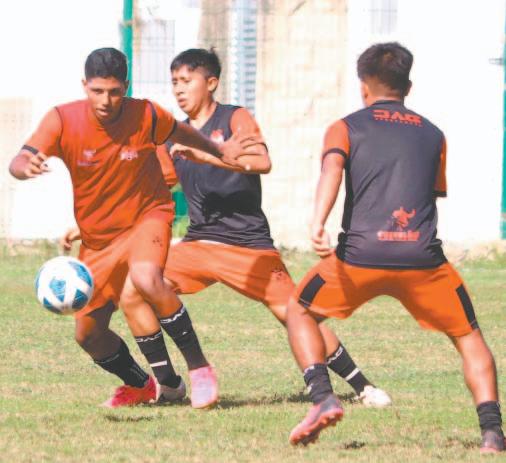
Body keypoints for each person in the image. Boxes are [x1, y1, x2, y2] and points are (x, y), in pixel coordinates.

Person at [64, 48, 392, 410]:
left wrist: (207, 154)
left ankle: (363, 386)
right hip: (198, 245)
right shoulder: (172, 135)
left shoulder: (235, 118)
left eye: (186, 81)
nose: (178, 89)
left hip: (247, 246)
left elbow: (261, 161)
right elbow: (145, 190)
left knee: (295, 313)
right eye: (174, 82)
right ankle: (169, 386)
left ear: (211, 83)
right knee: (135, 291)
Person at [285, 42, 504, 454]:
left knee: (298, 310)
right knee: (469, 337)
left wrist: (317, 222)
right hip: (423, 259)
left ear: (363, 86)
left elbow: (332, 169)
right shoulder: (434, 134)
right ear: (408, 86)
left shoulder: (344, 127)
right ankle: (492, 434)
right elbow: (429, 193)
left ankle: (323, 398)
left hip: (359, 258)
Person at [9, 47, 255, 409]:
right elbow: (21, 157)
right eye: (97, 91)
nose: (105, 100)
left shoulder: (146, 113)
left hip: (147, 216)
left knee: (146, 278)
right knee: (88, 334)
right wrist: (23, 167)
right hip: (98, 241)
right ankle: (145, 385)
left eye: (114, 91)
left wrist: (220, 151)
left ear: (125, 86)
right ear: (84, 85)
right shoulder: (62, 119)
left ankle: (200, 368)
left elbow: (183, 133)